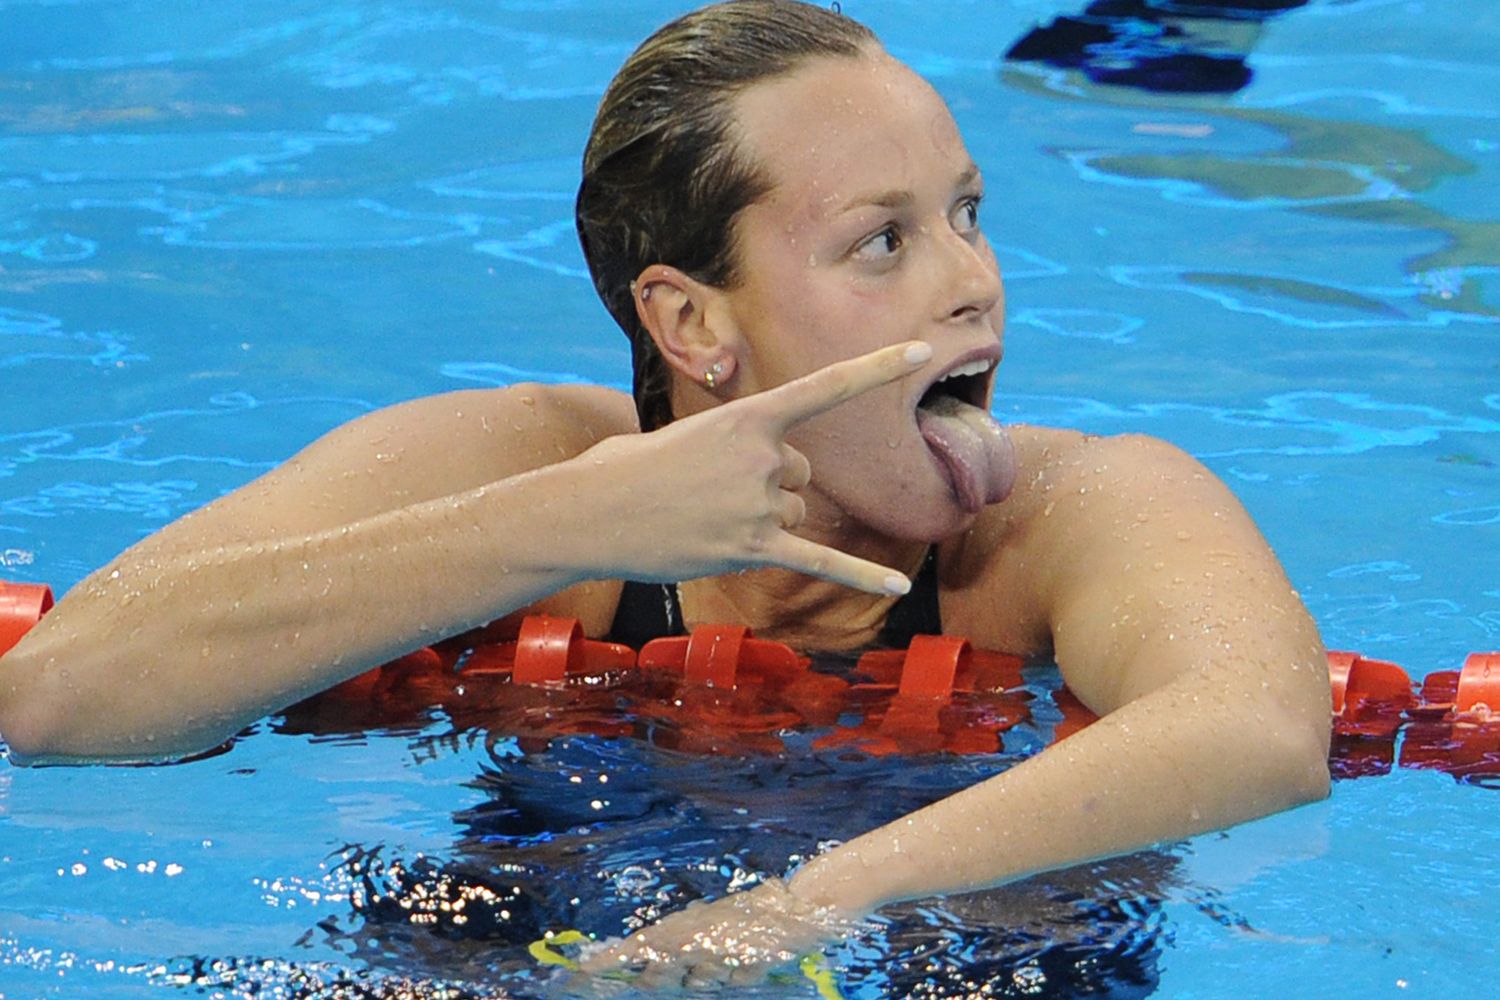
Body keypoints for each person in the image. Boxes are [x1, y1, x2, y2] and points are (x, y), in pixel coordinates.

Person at [0, 0, 1331, 988]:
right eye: (883, 240)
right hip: (576, 868)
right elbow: (61, 701)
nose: (970, 281)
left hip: (964, 917)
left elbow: (1260, 735)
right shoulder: (515, 465)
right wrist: (567, 526)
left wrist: (804, 909)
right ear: (694, 324)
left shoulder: (1077, 513)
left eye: (967, 214)